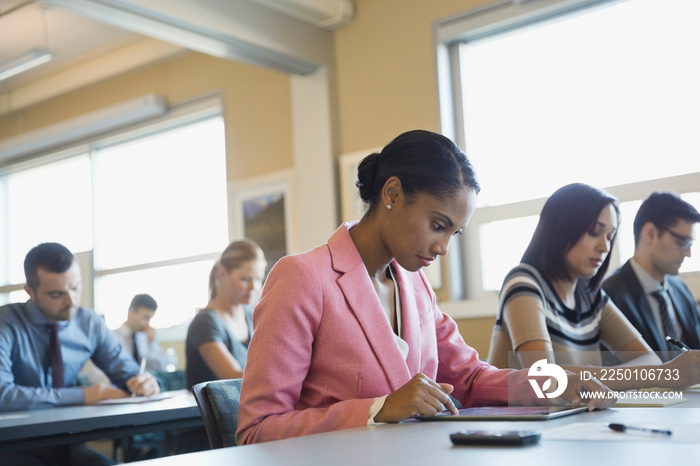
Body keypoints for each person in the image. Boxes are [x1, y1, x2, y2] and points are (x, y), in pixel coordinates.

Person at [236, 130, 614, 445]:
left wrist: (552, 382)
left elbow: (469, 379)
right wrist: (377, 409)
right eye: (438, 225)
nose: (444, 247)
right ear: (392, 194)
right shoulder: (302, 277)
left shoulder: (415, 284)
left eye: (454, 232)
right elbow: (256, 430)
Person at [487, 183, 700, 390]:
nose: (604, 247)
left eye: (609, 236)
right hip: (517, 421)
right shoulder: (522, 282)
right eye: (594, 232)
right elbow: (545, 377)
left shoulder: (590, 295)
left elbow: (649, 360)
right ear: (561, 229)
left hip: (573, 418)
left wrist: (592, 377)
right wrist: (660, 375)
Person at [0, 242, 160, 465]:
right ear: (30, 291)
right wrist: (83, 395)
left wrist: (145, 382)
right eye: (57, 294)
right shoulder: (5, 323)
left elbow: (128, 373)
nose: (71, 301)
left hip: (68, 443)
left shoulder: (89, 323)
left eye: (76, 288)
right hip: (11, 444)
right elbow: (2, 394)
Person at [603, 191, 700, 361]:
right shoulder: (610, 295)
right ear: (650, 233)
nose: (688, 253)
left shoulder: (680, 288)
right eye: (682, 242)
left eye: (690, 244)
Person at [185, 239, 267, 389]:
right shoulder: (205, 323)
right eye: (246, 279)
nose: (253, 287)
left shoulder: (252, 314)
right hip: (213, 412)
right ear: (222, 273)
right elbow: (237, 379)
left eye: (259, 279)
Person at [114, 293, 166, 372]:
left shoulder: (146, 338)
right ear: (131, 312)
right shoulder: (114, 338)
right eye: (145, 318)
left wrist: (152, 344)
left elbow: (160, 367)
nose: (148, 324)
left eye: (150, 319)